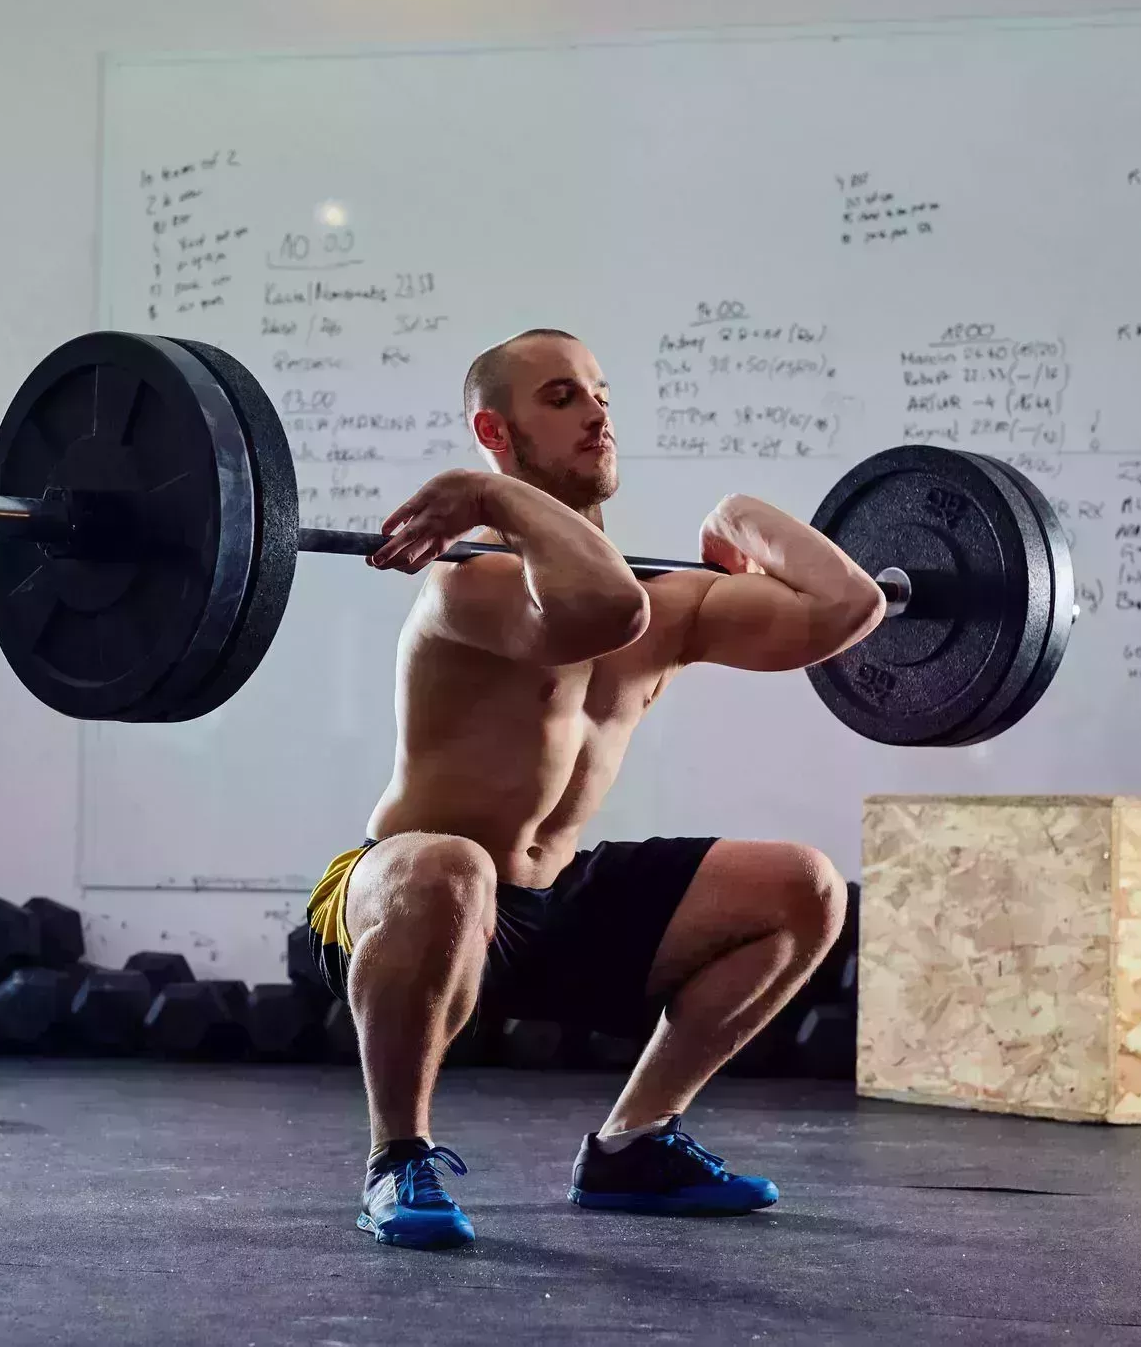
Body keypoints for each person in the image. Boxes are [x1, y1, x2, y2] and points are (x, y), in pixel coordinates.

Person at [305, 328, 885, 1250]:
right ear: (494, 430)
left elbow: (846, 610)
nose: (597, 410)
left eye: (600, 392)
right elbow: (600, 610)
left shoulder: (673, 602)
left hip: (551, 900)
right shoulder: (473, 584)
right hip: (411, 896)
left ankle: (634, 1143)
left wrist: (739, 517)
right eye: (562, 397)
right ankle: (396, 1157)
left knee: (801, 888)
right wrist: (496, 499)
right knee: (451, 867)